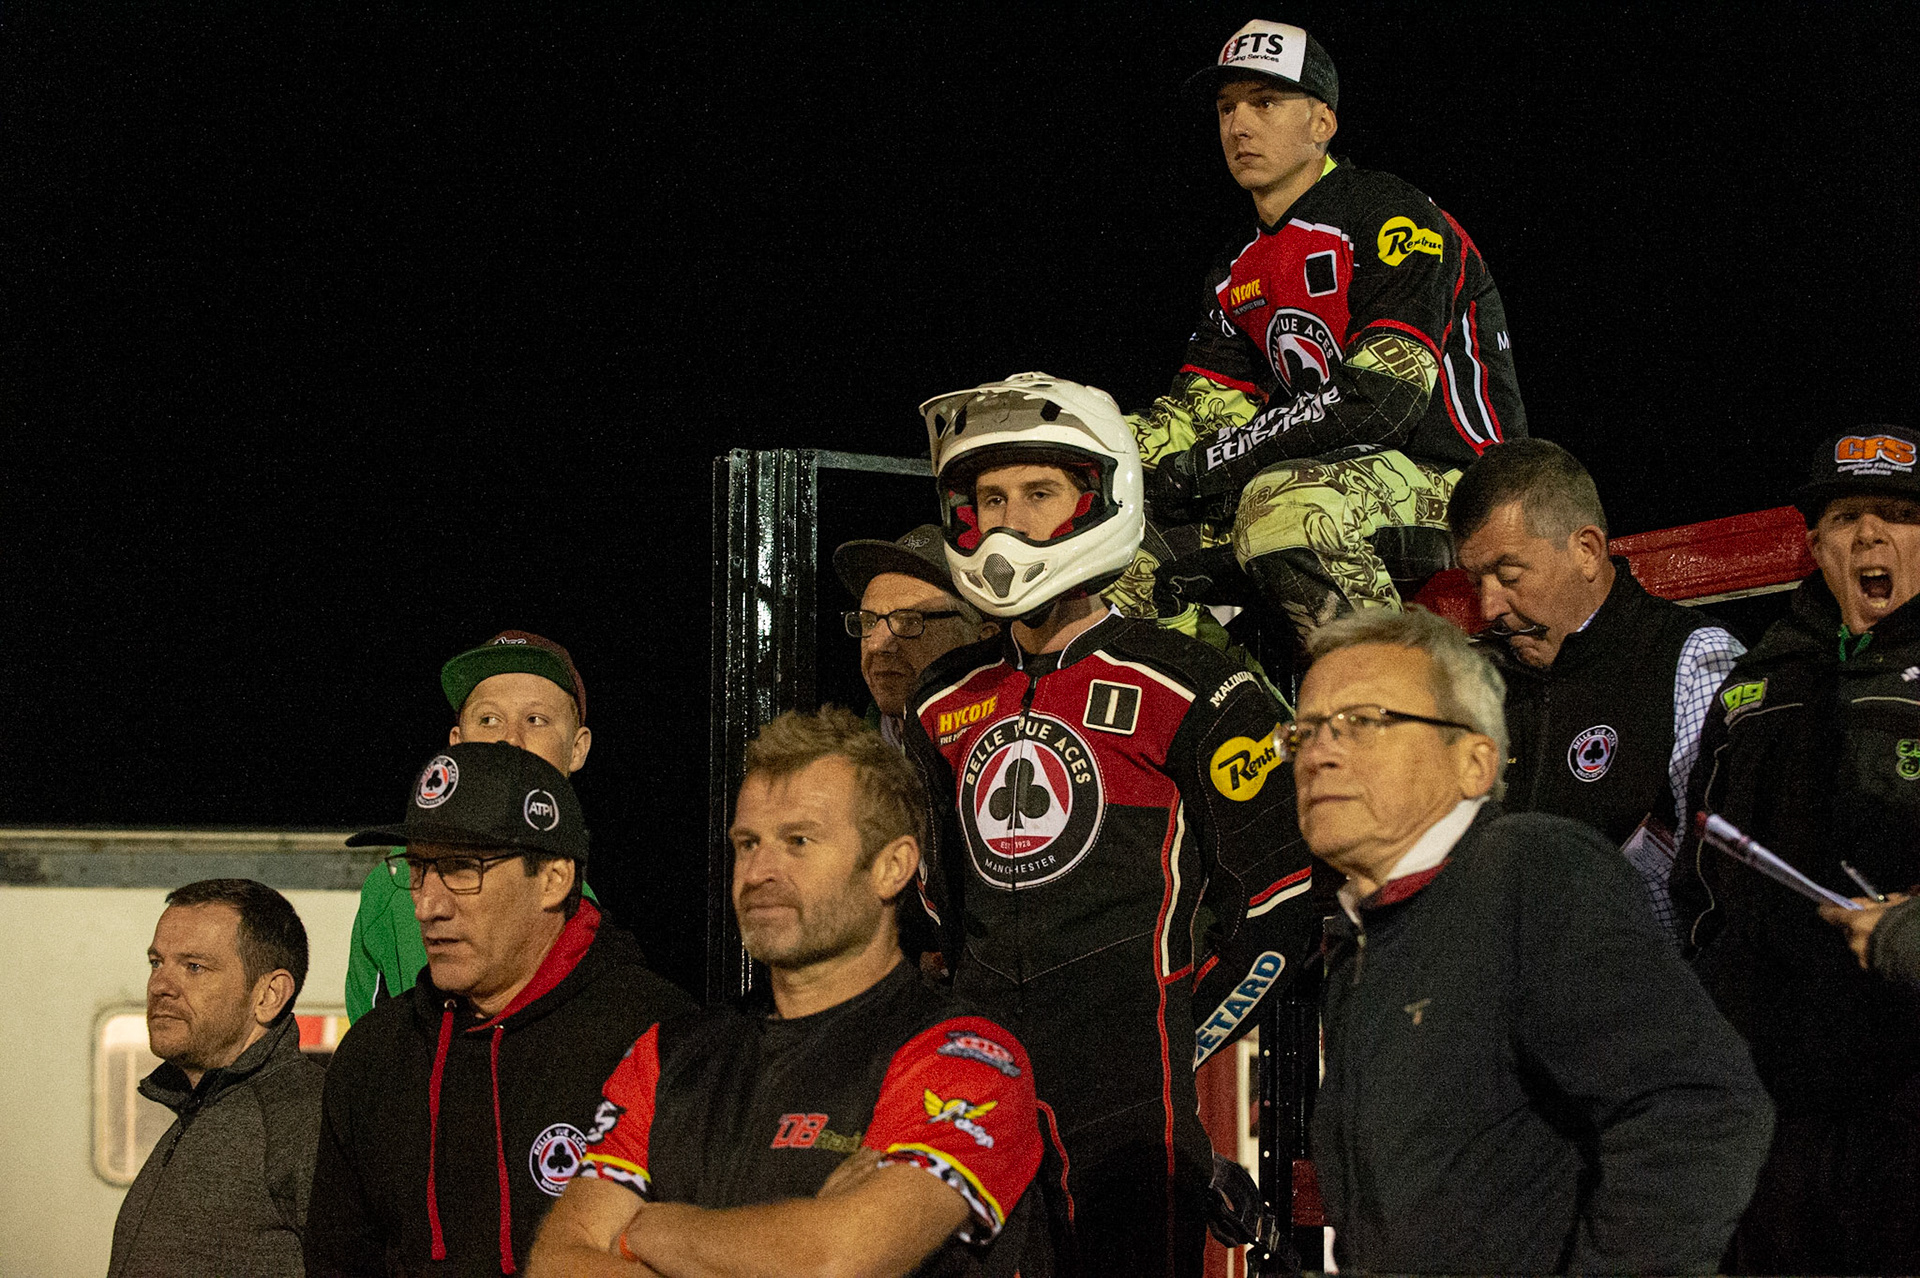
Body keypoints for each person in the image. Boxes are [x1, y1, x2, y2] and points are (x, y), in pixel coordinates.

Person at [909, 372, 1320, 1278]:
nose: (1010, 523)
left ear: (1099, 498)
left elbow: (1285, 911)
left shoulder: (1200, 684)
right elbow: (930, 923)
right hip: (978, 1082)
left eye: (1040, 495)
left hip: (1131, 1092)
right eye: (990, 498)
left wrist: (1174, 1030)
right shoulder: (940, 699)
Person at [1294, 607, 1772, 1274]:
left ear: (1474, 762)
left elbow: (1697, 1108)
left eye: (1364, 723)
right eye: (1305, 731)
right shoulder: (1362, 942)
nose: (1319, 752)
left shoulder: (1532, 871)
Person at [528, 707, 1045, 1278]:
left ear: (893, 866)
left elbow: (832, 1261)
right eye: (747, 843)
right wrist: (782, 1243)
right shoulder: (667, 1054)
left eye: (798, 840)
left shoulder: (965, 1056)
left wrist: (650, 1229)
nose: (758, 872)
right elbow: (557, 1263)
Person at [1133, 19, 1525, 645]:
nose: (1238, 126)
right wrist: (1082, 450)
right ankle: (1252, 717)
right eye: (1227, 106)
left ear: (1322, 123)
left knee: (1285, 511)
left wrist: (1200, 471)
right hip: (1325, 481)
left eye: (1264, 103)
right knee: (1107, 541)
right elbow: (1203, 407)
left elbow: (1383, 401)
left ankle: (1389, 713)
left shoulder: (1389, 213)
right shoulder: (1235, 263)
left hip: (1469, 486)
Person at [1674, 425, 1920, 1274]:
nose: (1871, 536)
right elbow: (1696, 883)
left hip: (1904, 1105)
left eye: (1899, 514)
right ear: (1815, 544)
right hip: (1767, 1109)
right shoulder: (1755, 679)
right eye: (1848, 516)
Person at [306, 741, 693, 1276]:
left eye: (462, 868)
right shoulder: (374, 1056)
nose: (427, 904)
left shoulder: (662, 1036)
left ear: (554, 879)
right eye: (417, 867)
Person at [1450, 438, 1744, 928]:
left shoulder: (1692, 660)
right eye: (1475, 582)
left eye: (1508, 574)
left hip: (1647, 994)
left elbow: (1723, 886)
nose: (1488, 608)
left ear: (1586, 550)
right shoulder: (1476, 680)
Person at [345, 628, 597, 1021]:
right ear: (457, 742)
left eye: (536, 719)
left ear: (578, 748)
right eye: (489, 719)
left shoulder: (584, 899)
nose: (510, 740)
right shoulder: (400, 889)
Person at [110, 879, 324, 1278]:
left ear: (269, 996)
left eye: (194, 967)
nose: (160, 986)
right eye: (156, 963)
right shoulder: (196, 1109)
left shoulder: (305, 1119)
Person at [833, 524, 998, 747]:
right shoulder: (844, 758)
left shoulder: (1010, 757)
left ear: (984, 639)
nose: (876, 645)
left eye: (909, 621)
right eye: (869, 622)